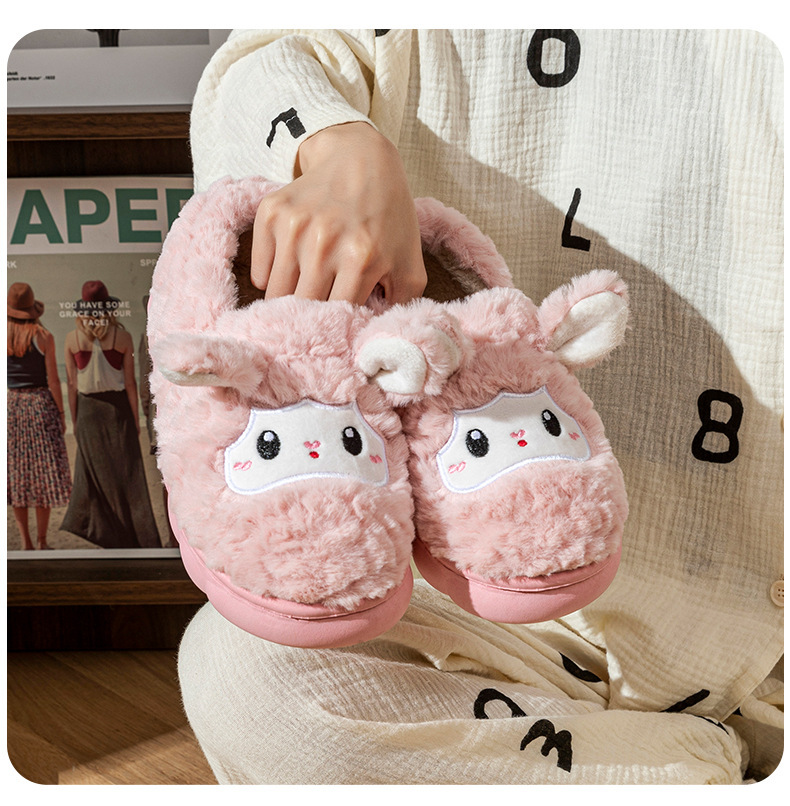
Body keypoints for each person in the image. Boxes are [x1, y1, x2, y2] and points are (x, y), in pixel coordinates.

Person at [177, 30, 783, 784]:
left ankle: (641, 776)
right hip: (517, 622)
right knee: (246, 680)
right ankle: (694, 773)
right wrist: (335, 148)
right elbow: (270, 54)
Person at [60, 280, 160, 549]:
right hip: (118, 410)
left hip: (88, 411)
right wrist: (137, 419)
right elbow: (130, 383)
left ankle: (107, 534)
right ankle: (135, 537)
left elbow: (72, 385)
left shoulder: (72, 339)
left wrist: (75, 419)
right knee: (128, 475)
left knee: (95, 477)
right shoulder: (122, 337)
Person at [7, 282, 71, 550]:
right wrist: (61, 412)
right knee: (43, 473)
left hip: (11, 406)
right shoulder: (44, 336)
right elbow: (53, 380)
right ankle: (43, 541)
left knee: (17, 474)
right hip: (40, 404)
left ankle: (26, 542)